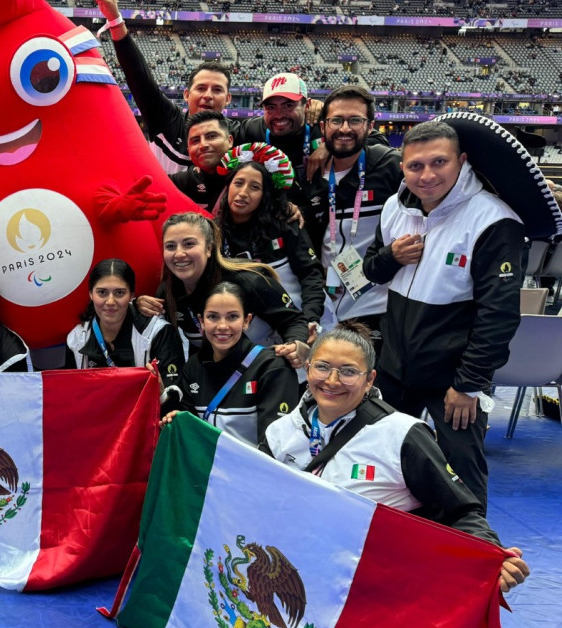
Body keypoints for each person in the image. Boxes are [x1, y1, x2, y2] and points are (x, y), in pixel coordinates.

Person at [262, 323, 529, 594]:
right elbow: (252, 497)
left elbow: (459, 510)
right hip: (297, 576)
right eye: (322, 367)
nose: (332, 381)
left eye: (348, 372)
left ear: (370, 379)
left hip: (370, 586)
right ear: (307, 369)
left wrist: (492, 556)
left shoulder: (401, 435)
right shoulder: (280, 433)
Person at [363, 121, 524, 514]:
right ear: (402, 167)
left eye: (439, 162)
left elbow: (499, 314)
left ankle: (473, 563)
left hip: (454, 381)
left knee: (462, 479)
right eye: (415, 165)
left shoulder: (493, 220)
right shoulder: (393, 208)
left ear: (461, 161)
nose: (428, 175)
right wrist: (390, 257)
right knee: (385, 467)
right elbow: (368, 270)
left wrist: (469, 383)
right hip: (394, 369)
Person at [137, 213, 310, 367]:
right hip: (217, 382)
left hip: (267, 374)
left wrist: (295, 345)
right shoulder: (168, 292)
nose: (179, 253)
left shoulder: (249, 281)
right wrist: (136, 305)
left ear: (209, 249)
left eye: (189, 244)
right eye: (170, 246)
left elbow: (294, 321)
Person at [303, 86, 400, 351]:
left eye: (355, 120)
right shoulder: (311, 174)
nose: (345, 128)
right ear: (323, 127)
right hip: (325, 307)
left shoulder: (390, 166)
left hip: (376, 305)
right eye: (337, 120)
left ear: (370, 126)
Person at [94, 0, 234, 173]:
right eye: (201, 88)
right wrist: (115, 19)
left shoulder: (236, 135)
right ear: (186, 94)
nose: (208, 95)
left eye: (217, 90)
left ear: (228, 98)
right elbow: (139, 77)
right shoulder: (166, 119)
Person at [163, 282, 298, 446]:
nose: (222, 326)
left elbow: (275, 445)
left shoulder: (272, 367)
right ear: (201, 322)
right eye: (212, 316)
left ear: (247, 321)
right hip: (211, 468)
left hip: (252, 470)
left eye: (232, 316)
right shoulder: (193, 367)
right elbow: (192, 436)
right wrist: (178, 419)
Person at [214, 144, 325, 334]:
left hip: (299, 321)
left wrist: (310, 318)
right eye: (238, 183)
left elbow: (310, 275)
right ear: (228, 186)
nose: (243, 192)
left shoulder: (285, 223)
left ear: (264, 195)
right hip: (247, 332)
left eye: (254, 187)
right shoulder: (214, 231)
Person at [65, 259, 184, 408]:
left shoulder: (157, 332)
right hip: (98, 425)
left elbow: (175, 399)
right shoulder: (76, 339)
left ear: (132, 295)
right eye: (102, 292)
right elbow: (70, 398)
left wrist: (161, 394)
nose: (110, 301)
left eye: (119, 293)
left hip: (145, 424)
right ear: (90, 294)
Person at [169, 112, 233, 212]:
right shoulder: (178, 183)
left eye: (211, 136)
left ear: (229, 141)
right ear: (188, 151)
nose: (203, 145)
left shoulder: (250, 177)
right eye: (195, 140)